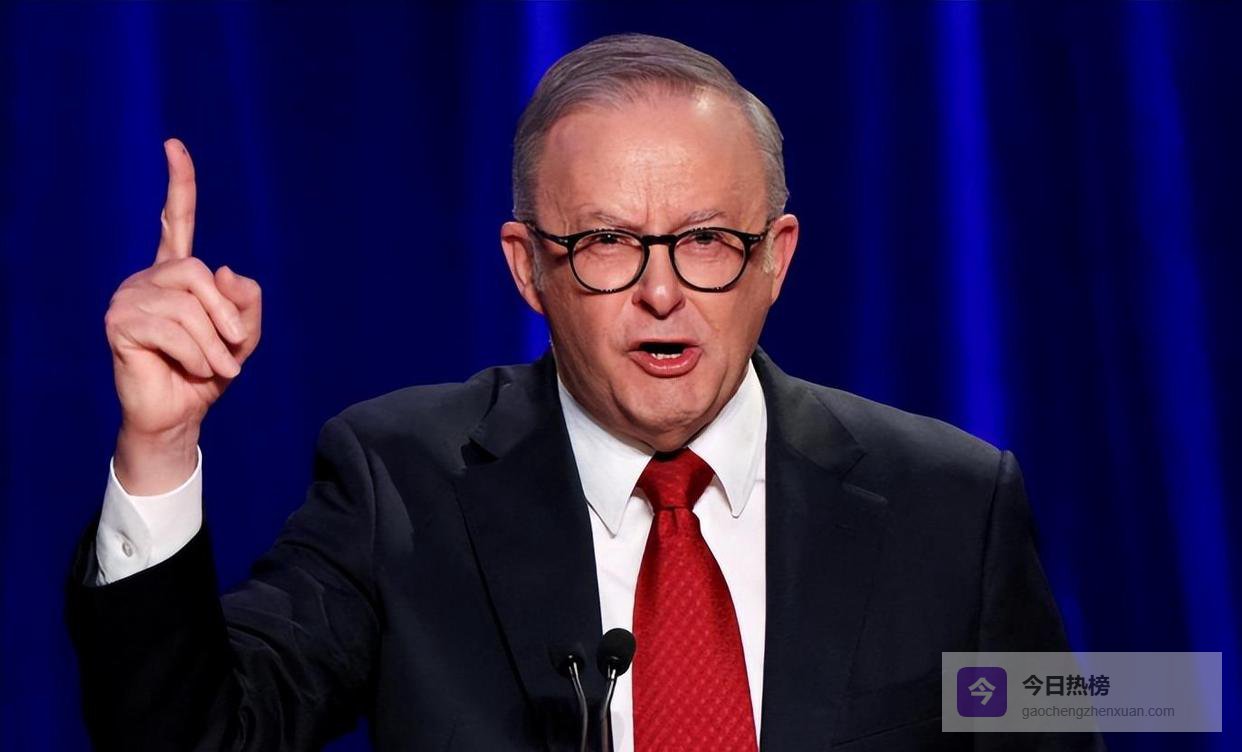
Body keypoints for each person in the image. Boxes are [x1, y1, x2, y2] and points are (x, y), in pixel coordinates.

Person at [66, 33, 1103, 751]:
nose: (663, 292)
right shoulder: (400, 486)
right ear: (528, 269)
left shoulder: (951, 502)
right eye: (607, 241)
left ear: (776, 258)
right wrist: (159, 445)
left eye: (707, 239)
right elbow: (195, 736)